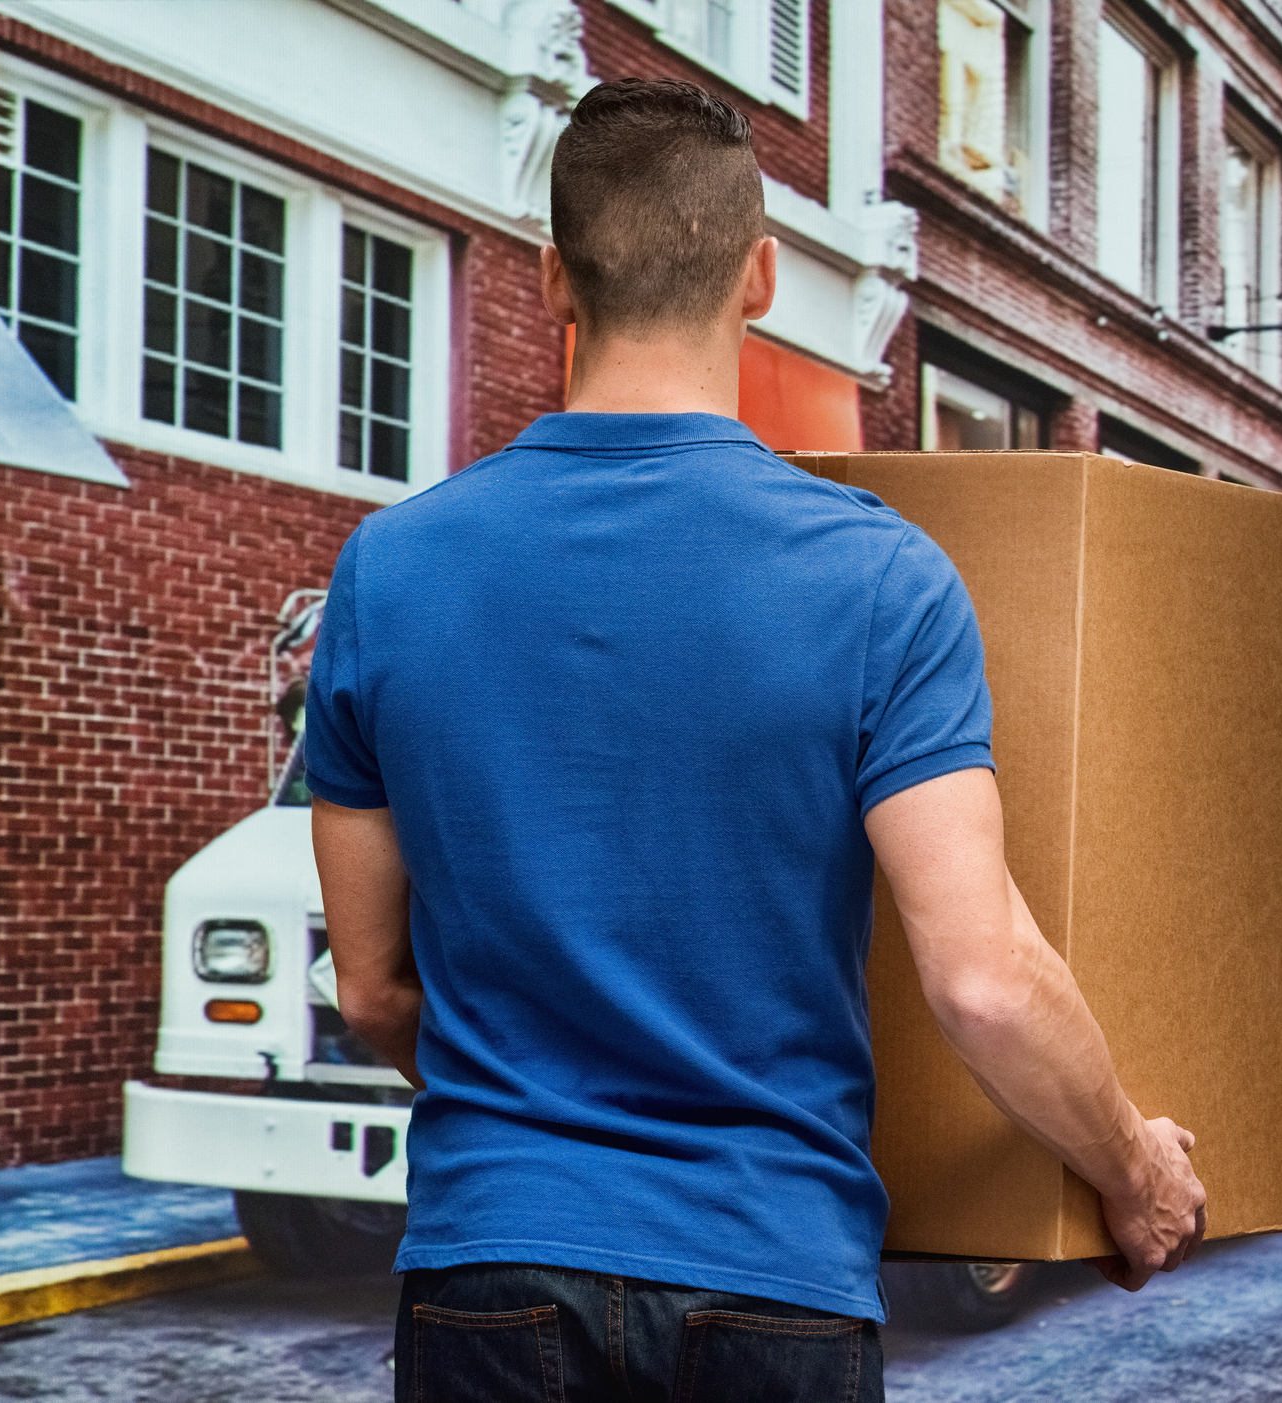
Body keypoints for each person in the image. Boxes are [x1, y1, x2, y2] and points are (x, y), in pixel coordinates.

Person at [303, 79, 1206, 1403]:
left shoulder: (387, 571)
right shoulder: (881, 580)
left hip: (489, 1271)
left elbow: (374, 989)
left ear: (553, 279)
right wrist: (1134, 1172)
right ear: (763, 277)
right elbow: (985, 980)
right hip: (772, 1275)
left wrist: (544, 1130)